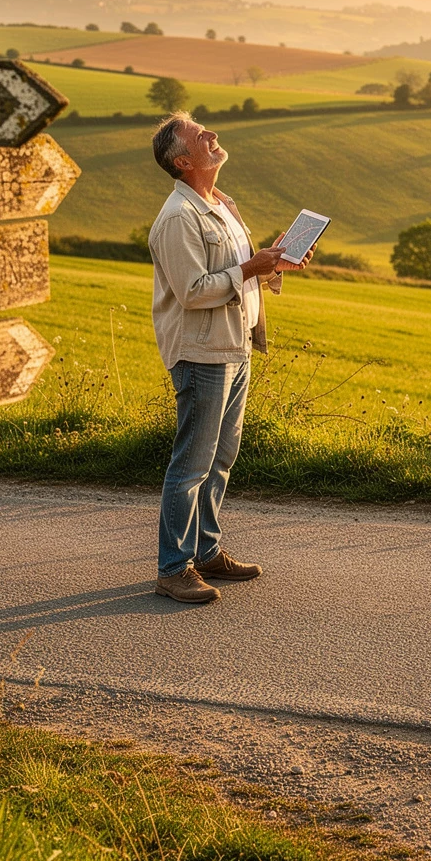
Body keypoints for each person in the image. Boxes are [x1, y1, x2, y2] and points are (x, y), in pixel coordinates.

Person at [147, 111, 315, 604]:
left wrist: (272, 265)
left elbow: (239, 271)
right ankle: (173, 568)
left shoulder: (221, 203)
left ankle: (205, 552)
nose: (211, 134)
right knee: (192, 464)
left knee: (220, 458)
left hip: (234, 347)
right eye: (199, 135)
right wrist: (249, 268)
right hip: (202, 352)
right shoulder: (178, 218)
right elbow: (193, 291)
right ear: (183, 161)